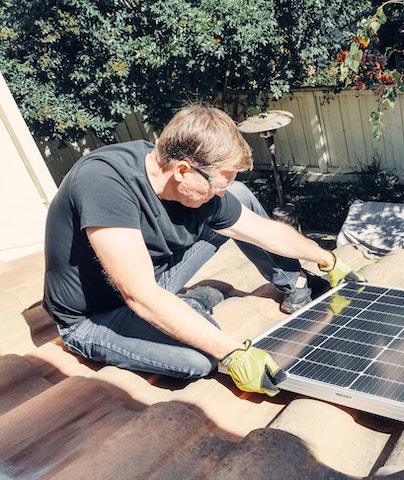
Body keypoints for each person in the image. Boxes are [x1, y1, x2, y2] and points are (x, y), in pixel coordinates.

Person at [43, 104, 363, 396]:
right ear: (182, 170)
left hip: (154, 277)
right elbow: (138, 293)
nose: (219, 194)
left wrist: (328, 259)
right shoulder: (105, 182)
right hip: (94, 316)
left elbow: (266, 232)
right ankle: (188, 306)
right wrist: (233, 352)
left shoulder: (200, 189)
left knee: (240, 196)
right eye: (216, 184)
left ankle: (294, 285)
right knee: (200, 359)